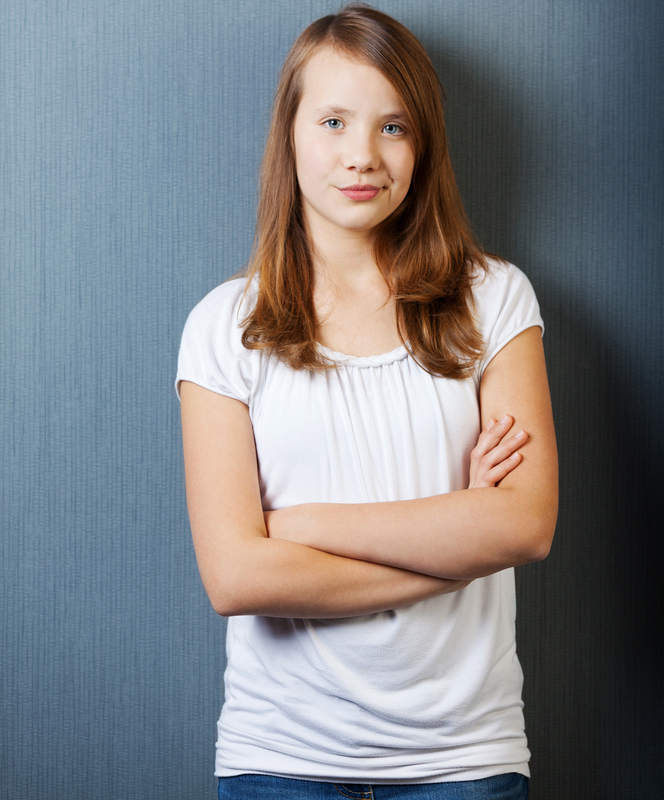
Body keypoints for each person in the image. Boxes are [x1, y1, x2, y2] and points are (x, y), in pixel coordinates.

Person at [176, 5, 558, 799]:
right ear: (289, 135)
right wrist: (454, 543)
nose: (362, 155)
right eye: (334, 121)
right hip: (280, 757)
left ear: (423, 146)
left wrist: (300, 529)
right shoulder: (223, 327)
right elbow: (237, 578)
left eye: (393, 127)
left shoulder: (496, 301)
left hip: (466, 758)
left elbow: (524, 524)